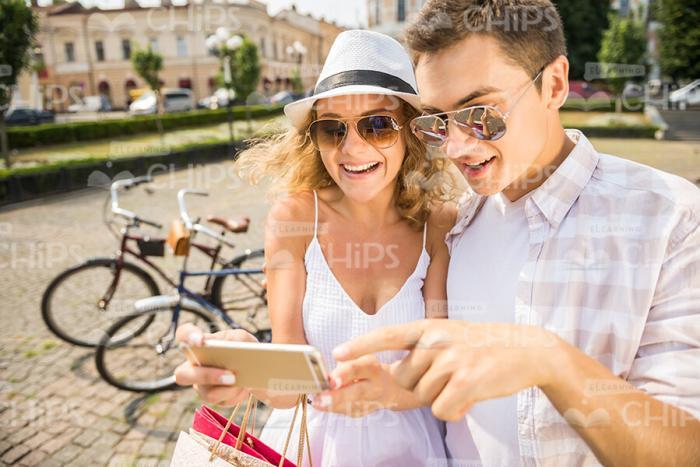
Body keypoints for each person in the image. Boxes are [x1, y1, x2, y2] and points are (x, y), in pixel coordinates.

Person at [314, 1, 700, 466]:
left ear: (554, 84)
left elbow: (685, 450)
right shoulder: (452, 228)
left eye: (481, 114)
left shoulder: (669, 219)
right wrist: (393, 390)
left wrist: (548, 360)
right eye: (437, 122)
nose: (455, 145)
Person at [174, 30, 456, 466]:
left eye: (378, 125)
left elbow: (440, 367)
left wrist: (391, 387)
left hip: (414, 448)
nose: (352, 147)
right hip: (311, 447)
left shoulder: (437, 223)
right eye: (332, 128)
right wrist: (244, 366)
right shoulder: (294, 220)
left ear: (412, 133)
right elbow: (288, 393)